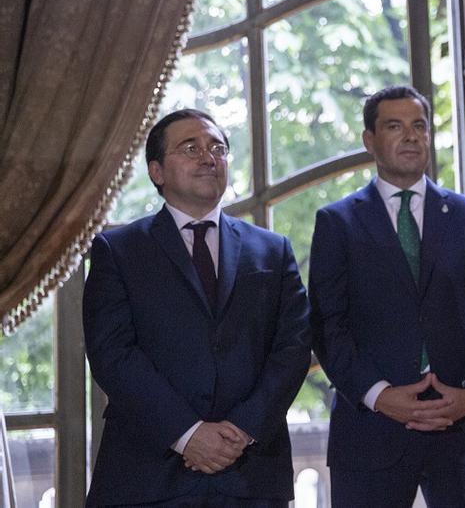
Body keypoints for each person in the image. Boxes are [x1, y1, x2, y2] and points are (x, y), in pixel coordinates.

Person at [83, 108, 312, 507]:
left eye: (217, 147)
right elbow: (112, 355)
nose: (208, 157)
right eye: (190, 148)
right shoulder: (117, 251)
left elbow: (292, 348)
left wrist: (241, 429)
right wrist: (187, 434)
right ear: (157, 171)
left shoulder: (273, 251)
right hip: (147, 476)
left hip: (250, 470)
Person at [308, 86, 465, 507]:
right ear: (369, 140)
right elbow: (328, 326)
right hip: (370, 430)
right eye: (395, 126)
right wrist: (380, 395)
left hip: (461, 428)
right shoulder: (336, 222)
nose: (411, 136)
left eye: (419, 126)